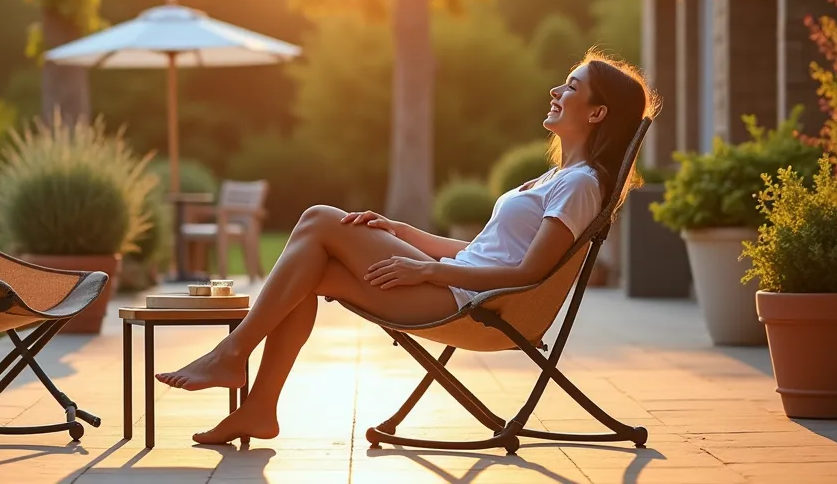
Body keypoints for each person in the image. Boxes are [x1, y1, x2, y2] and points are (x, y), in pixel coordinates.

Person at [156, 51, 657, 445]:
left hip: (470, 304)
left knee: (317, 221)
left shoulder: (580, 184)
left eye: (571, 86)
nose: (555, 89)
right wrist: (402, 231)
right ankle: (259, 407)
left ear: (597, 111)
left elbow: (528, 273)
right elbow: (483, 251)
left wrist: (430, 274)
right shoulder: (557, 177)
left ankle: (233, 354)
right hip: (455, 286)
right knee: (309, 266)